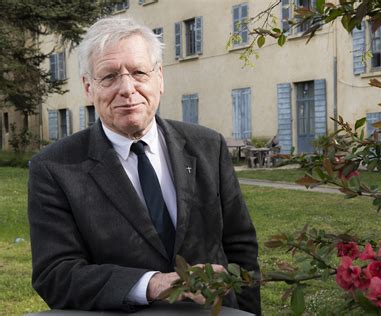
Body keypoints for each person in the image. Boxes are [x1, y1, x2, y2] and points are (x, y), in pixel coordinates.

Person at [28, 17, 260, 314]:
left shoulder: (207, 146)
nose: (127, 88)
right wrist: (151, 284)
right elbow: (56, 275)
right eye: (109, 76)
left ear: (159, 78)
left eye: (138, 72)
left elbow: (241, 248)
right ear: (88, 88)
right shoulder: (55, 167)